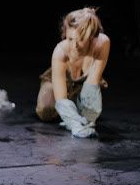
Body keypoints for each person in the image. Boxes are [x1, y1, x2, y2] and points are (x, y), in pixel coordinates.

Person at [35, 7, 110, 138]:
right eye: (70, 39)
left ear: (90, 37)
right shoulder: (60, 52)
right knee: (46, 111)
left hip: (82, 83)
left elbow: (92, 83)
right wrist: (74, 124)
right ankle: (72, 109)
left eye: (80, 40)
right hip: (59, 80)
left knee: (87, 112)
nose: (74, 45)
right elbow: (61, 98)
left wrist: (88, 119)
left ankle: (76, 106)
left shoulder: (102, 43)